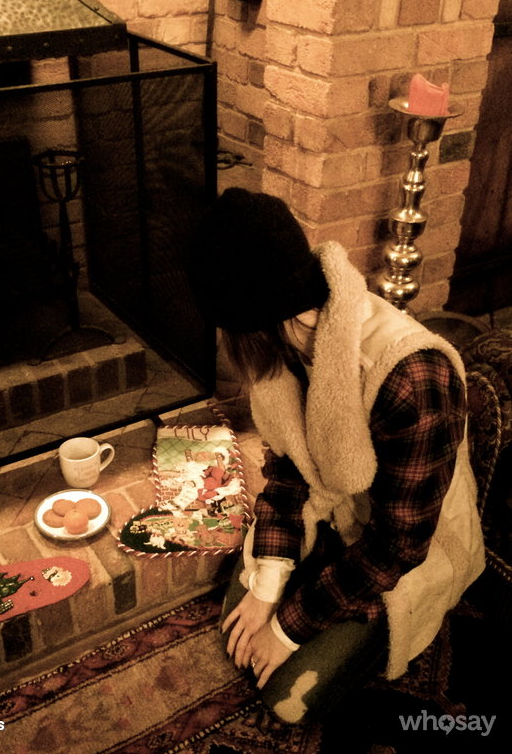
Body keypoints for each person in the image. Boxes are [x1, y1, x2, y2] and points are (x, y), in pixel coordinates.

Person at [188, 187, 485, 724]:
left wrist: (286, 628)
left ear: (247, 322)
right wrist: (268, 584)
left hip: (404, 546)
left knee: (287, 701)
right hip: (335, 511)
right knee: (239, 618)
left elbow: (398, 545)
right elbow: (288, 468)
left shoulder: (413, 376)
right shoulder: (282, 344)